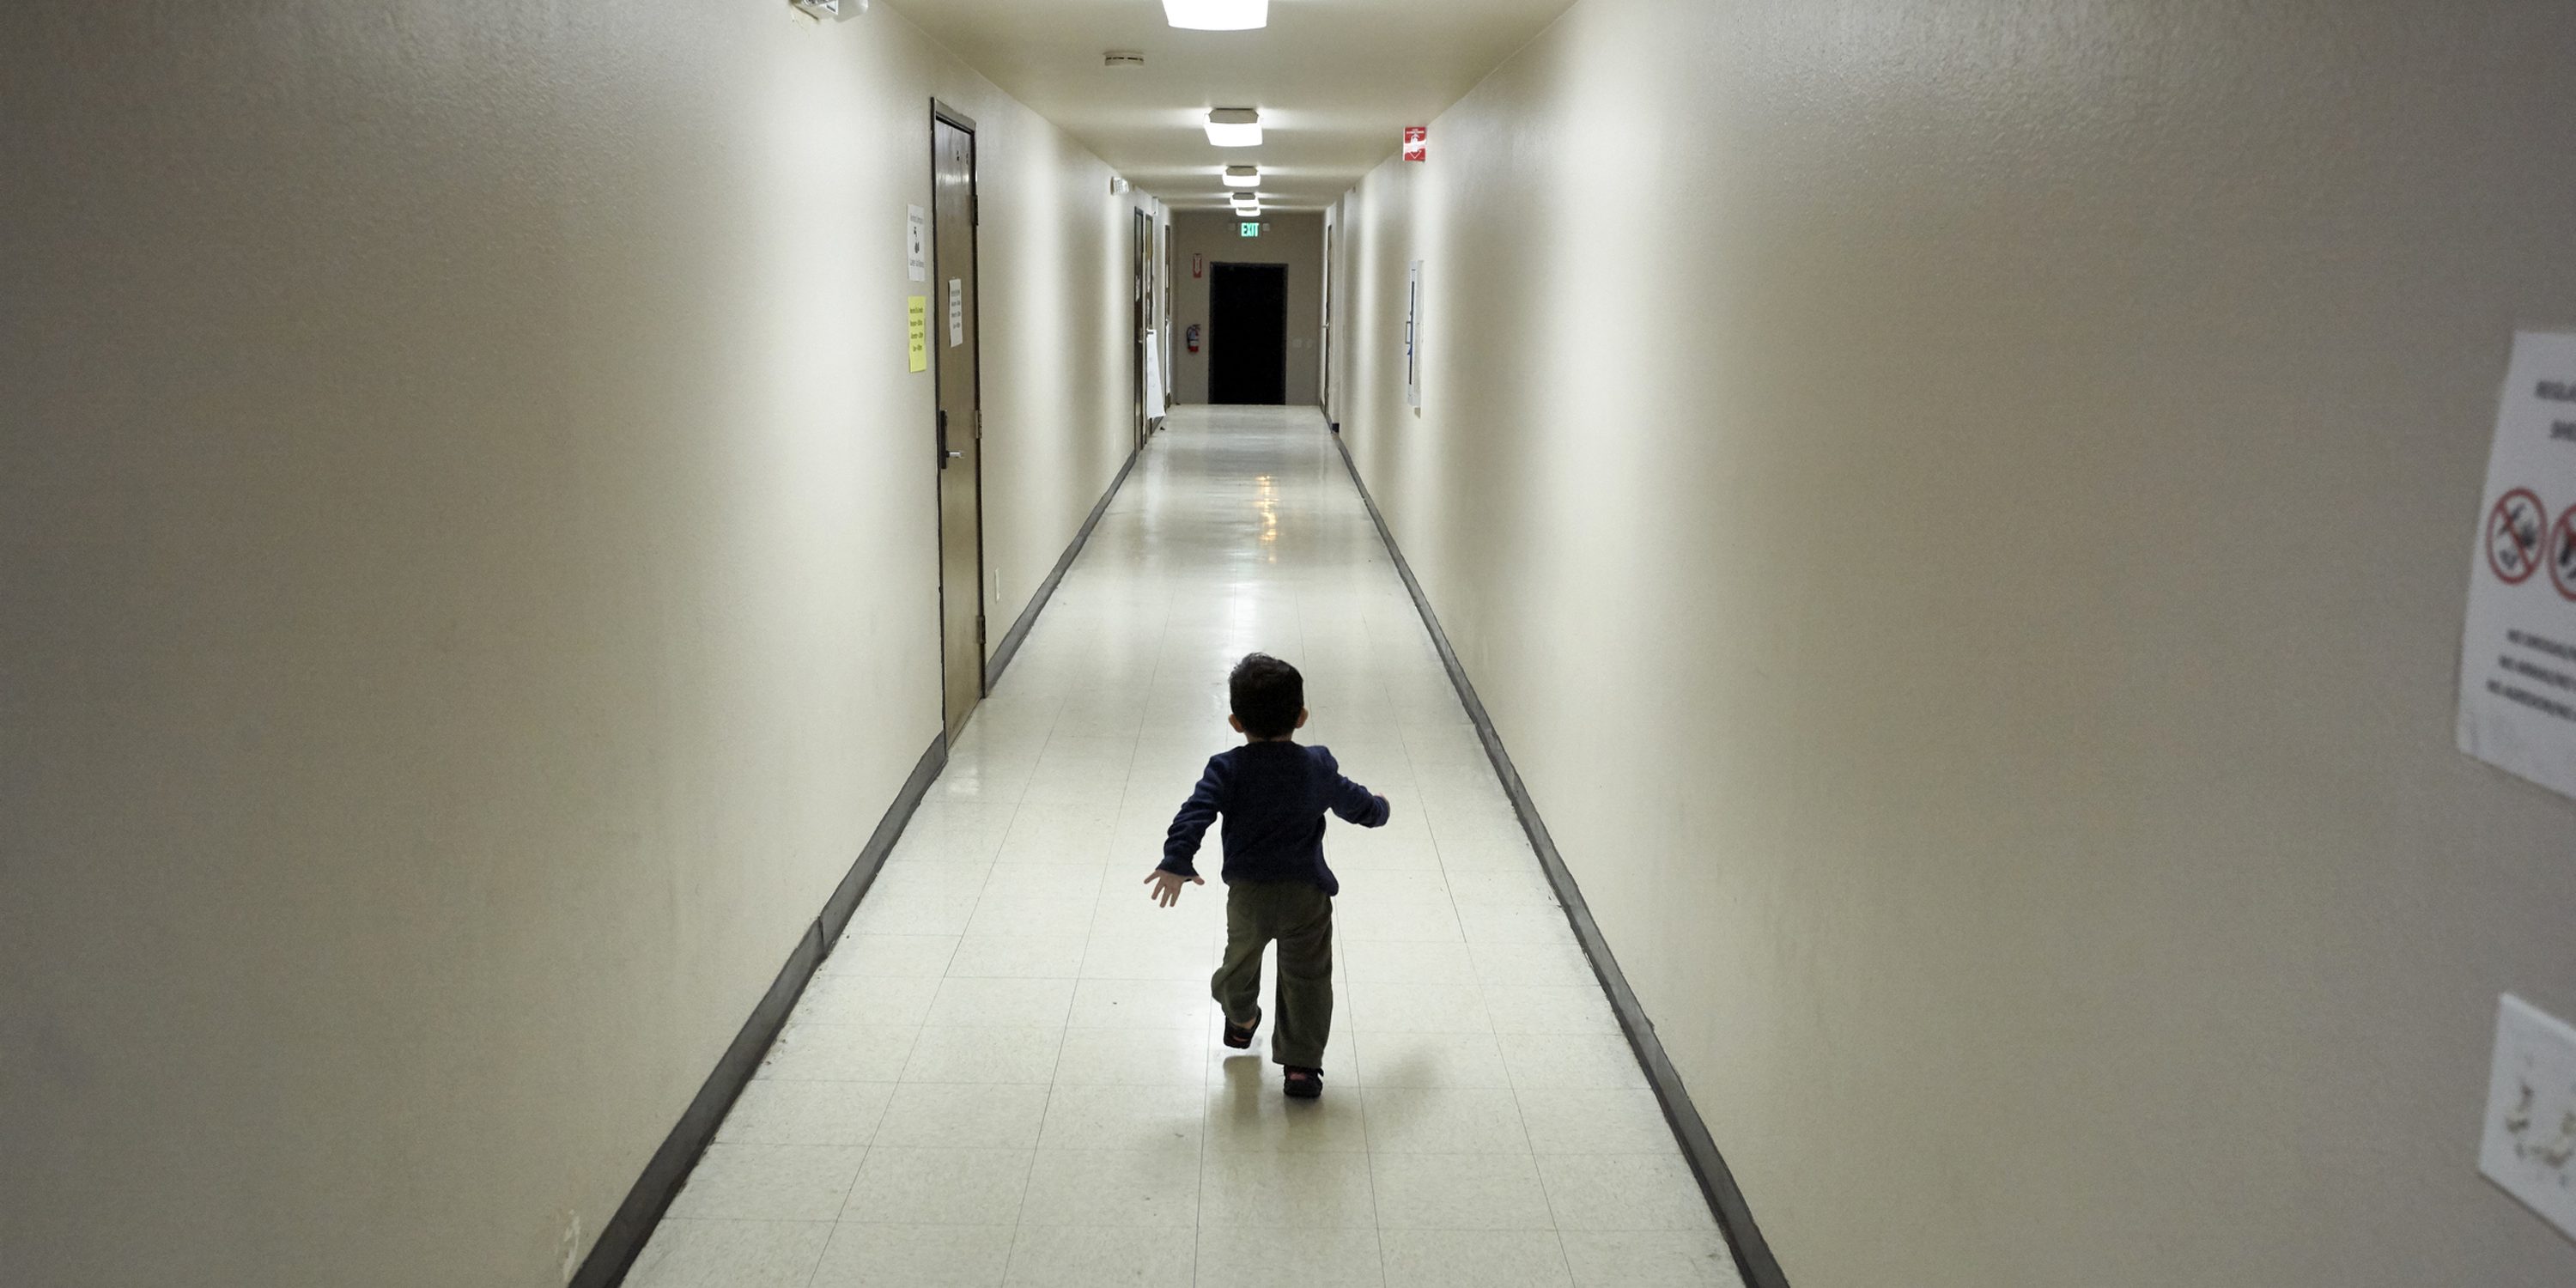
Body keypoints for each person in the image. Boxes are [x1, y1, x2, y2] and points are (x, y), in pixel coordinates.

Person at [1144, 653, 1390, 1099]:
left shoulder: (1228, 767)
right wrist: (1378, 809)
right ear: (1301, 716)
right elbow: (1354, 802)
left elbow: (1194, 813)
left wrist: (1177, 858)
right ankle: (1287, 1050)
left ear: (1236, 722)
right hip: (1305, 895)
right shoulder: (1316, 764)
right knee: (1308, 983)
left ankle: (1260, 1033)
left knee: (1239, 968)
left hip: (1252, 897)